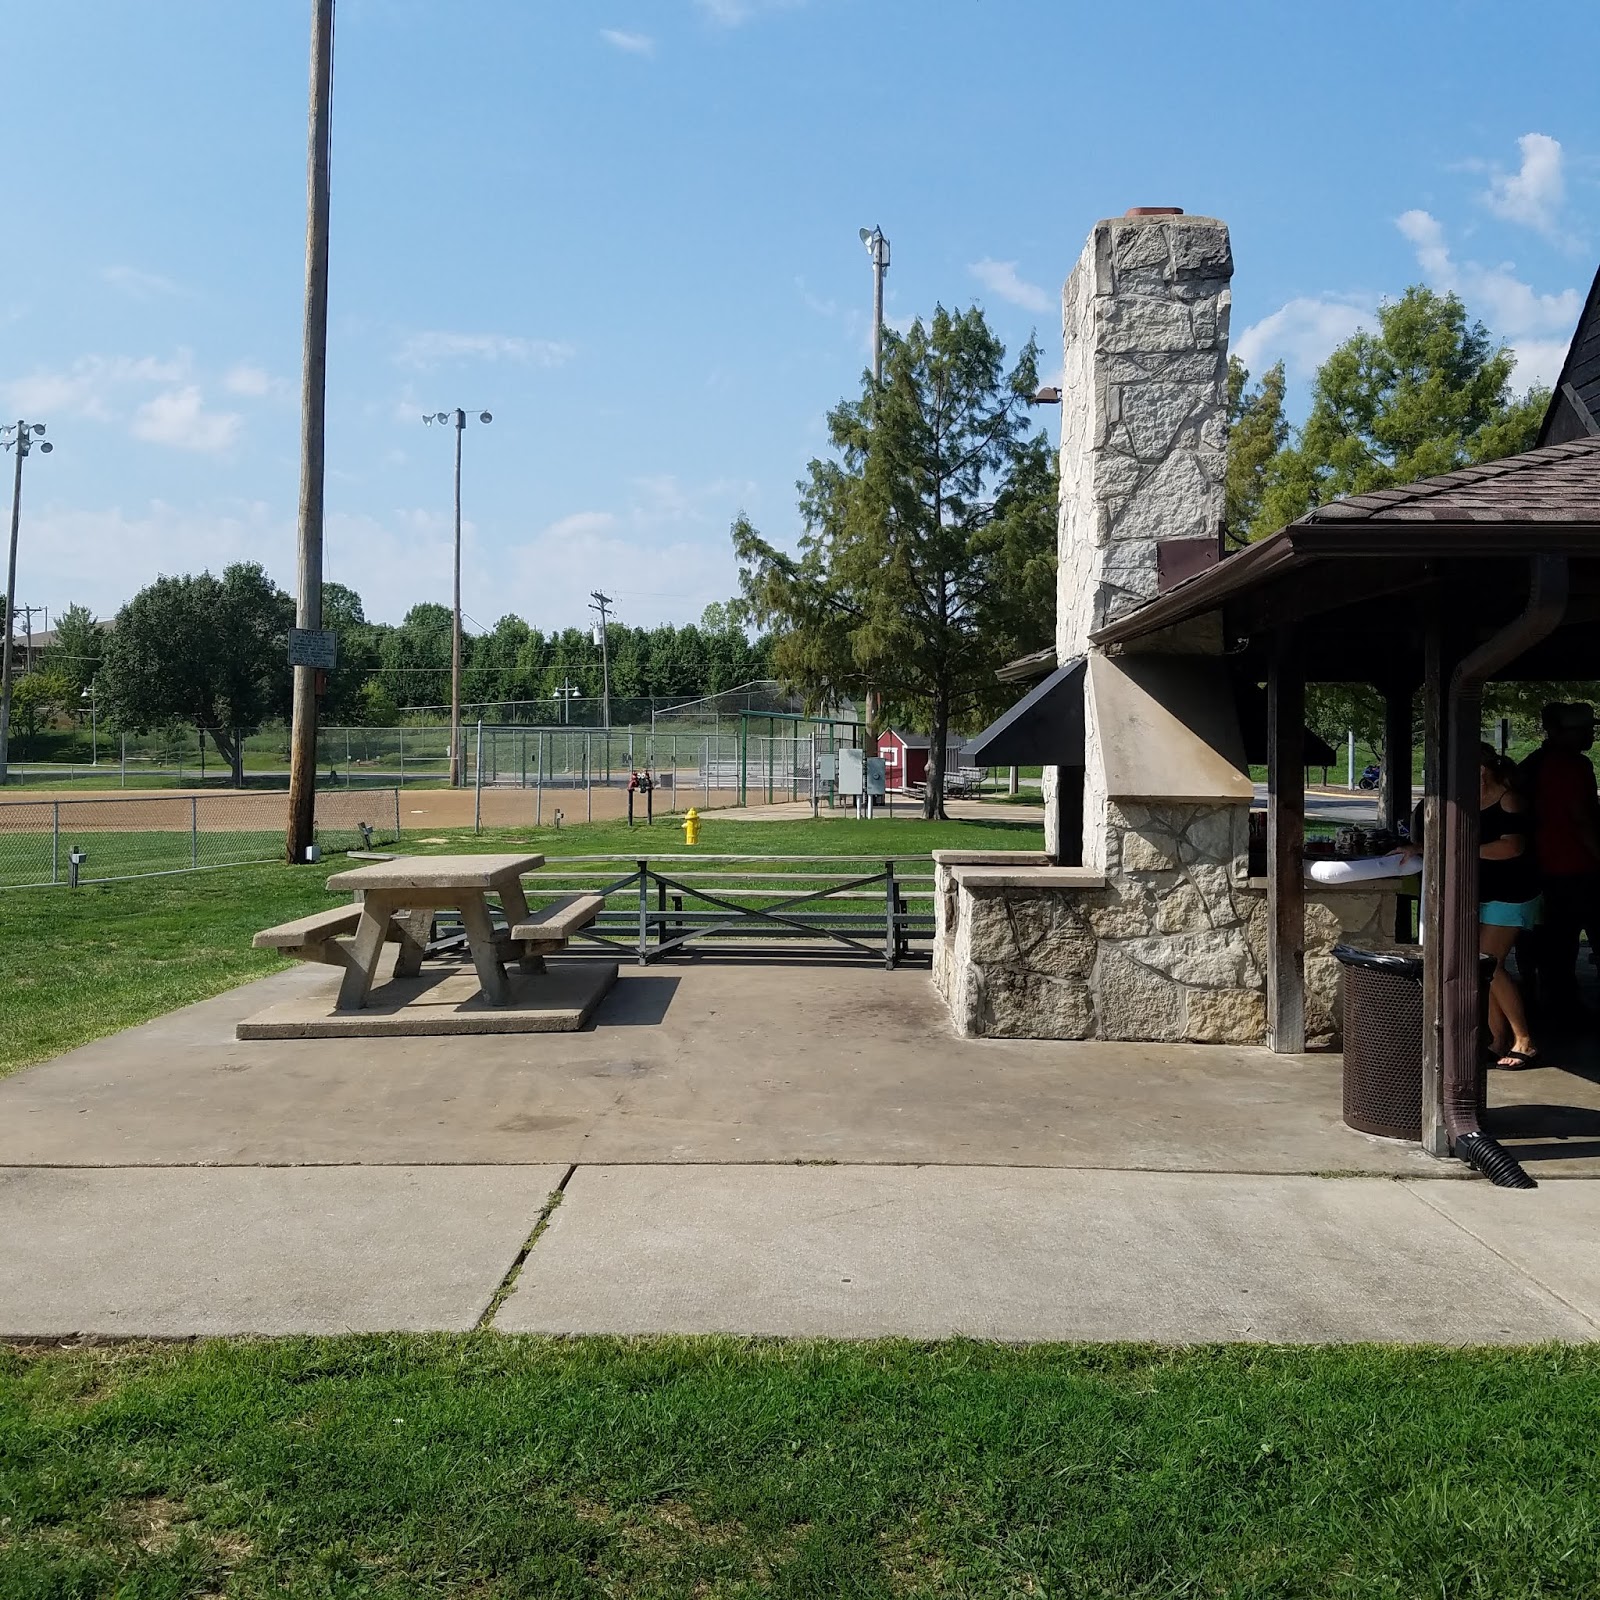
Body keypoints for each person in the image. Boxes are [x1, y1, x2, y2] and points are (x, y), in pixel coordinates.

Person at [1516, 701, 1600, 1019]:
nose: (1590, 735)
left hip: (1544, 865)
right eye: (1584, 730)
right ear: (1562, 732)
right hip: (1574, 866)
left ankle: (1550, 999)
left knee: (1553, 940)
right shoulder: (1571, 766)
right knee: (1564, 942)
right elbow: (1581, 819)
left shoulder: (1534, 763)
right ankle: (1565, 1007)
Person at [1479, 744, 1542, 1068]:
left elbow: (1512, 848)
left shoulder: (1509, 799)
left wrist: (1465, 849)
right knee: (1483, 967)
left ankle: (1525, 1040)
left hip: (1513, 894)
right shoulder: (1471, 798)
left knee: (1491, 964)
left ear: (1481, 770)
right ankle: (1496, 1039)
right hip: (1485, 892)